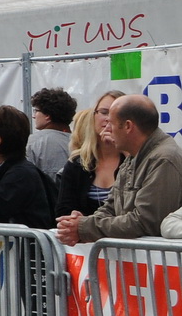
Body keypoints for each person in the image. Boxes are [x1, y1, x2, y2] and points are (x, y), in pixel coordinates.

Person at [58, 95, 182, 244]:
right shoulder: (135, 156)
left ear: (128, 126)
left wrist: (84, 227)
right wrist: (83, 223)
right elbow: (111, 207)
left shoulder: (163, 159)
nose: (107, 129)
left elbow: (146, 222)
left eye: (111, 123)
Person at [57, 93, 123, 217]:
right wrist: (74, 217)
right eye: (104, 112)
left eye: (117, 114)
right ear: (93, 116)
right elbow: (63, 210)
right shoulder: (77, 163)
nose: (108, 119)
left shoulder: (134, 161)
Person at [27, 88, 76, 180]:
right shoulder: (83, 142)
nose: (33, 116)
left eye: (36, 111)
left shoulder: (32, 142)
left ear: (47, 116)